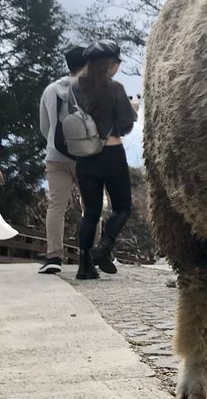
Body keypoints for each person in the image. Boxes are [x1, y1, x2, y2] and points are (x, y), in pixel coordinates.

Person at [72, 40, 137, 280]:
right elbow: (125, 125)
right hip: (111, 154)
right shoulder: (116, 88)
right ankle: (105, 247)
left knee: (91, 212)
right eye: (116, 62)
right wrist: (133, 107)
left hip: (85, 156)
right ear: (108, 64)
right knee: (122, 207)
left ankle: (83, 265)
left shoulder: (75, 88)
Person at [37, 46, 86, 273]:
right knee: (91, 207)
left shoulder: (49, 91)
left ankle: (54, 257)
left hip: (55, 155)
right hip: (85, 156)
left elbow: (45, 127)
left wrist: (55, 143)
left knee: (56, 206)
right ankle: (88, 256)